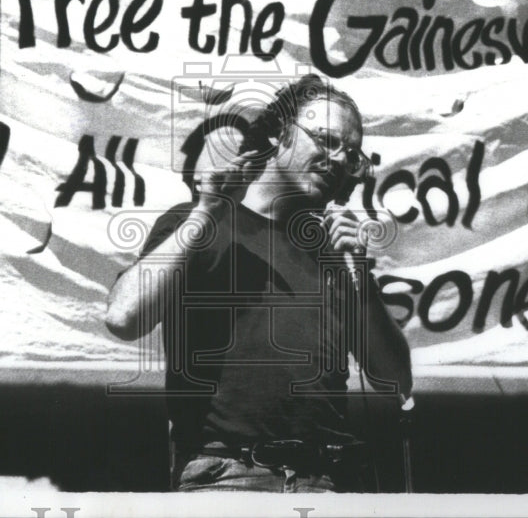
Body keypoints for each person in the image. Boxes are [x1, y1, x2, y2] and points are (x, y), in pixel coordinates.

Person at [105, 74, 412, 492]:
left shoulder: (335, 253)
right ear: (279, 134)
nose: (339, 160)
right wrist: (205, 214)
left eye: (352, 153)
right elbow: (124, 317)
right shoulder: (201, 221)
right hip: (226, 476)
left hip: (324, 480)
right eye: (326, 140)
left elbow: (395, 382)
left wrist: (359, 276)